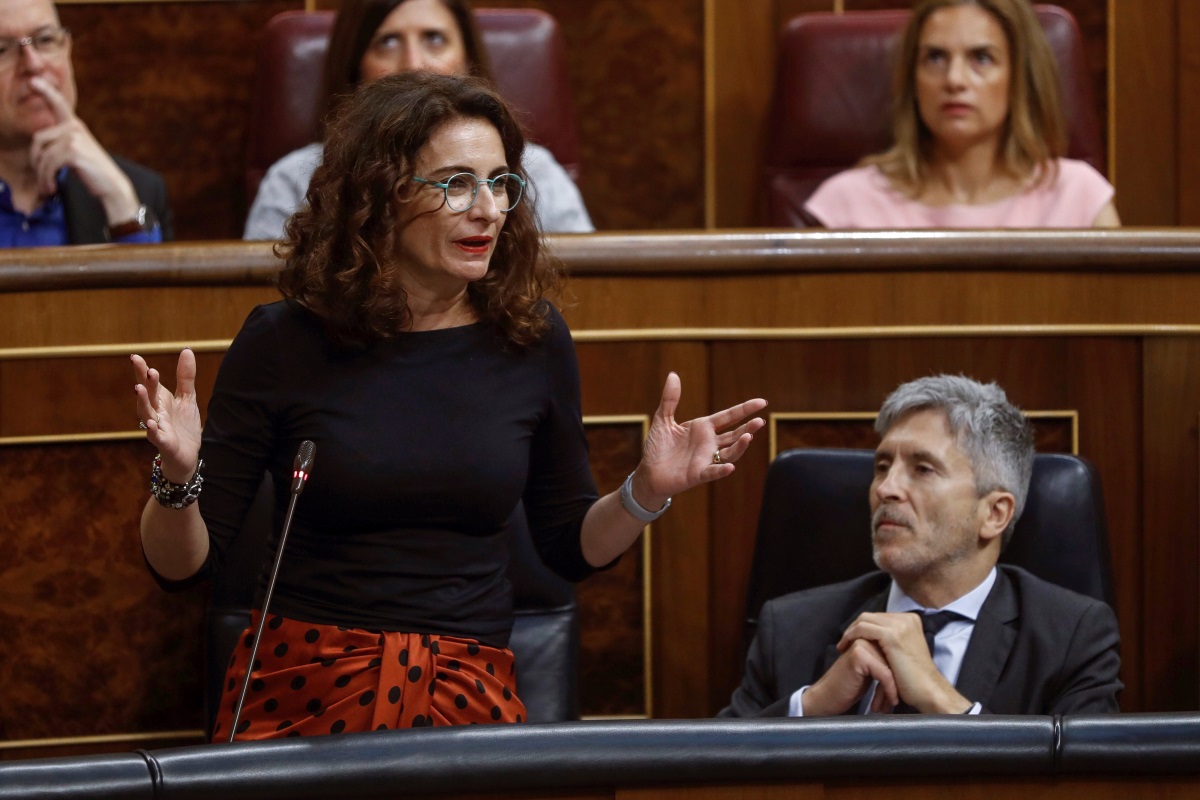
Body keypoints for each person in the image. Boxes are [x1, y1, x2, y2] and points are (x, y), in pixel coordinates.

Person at [136, 71, 765, 740]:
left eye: (500, 183)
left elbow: (570, 548)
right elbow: (181, 568)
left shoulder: (530, 339)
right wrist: (177, 479)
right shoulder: (283, 342)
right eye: (457, 183)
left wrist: (645, 491)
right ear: (381, 196)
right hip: (306, 688)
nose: (489, 209)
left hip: (467, 697)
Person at [720, 375, 1121, 717]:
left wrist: (941, 700)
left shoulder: (1072, 637)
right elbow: (717, 772)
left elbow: (1086, 783)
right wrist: (810, 707)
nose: (886, 489)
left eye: (923, 469)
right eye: (881, 467)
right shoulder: (789, 630)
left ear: (995, 513)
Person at [244, 0, 592, 241]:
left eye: (434, 39)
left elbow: (591, 287)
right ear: (354, 63)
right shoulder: (294, 180)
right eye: (388, 41)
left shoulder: (532, 171)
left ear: (467, 57)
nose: (413, 63)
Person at [803, 0, 1119, 229]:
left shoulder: (1078, 198)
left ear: (1019, 77)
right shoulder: (849, 204)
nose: (954, 79)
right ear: (913, 79)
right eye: (936, 58)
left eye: (981, 58)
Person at [0, 0, 171, 247]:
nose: (34, 65)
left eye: (46, 40)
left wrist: (120, 203)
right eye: (2, 50)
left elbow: (154, 287)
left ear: (67, 49)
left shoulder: (141, 191)